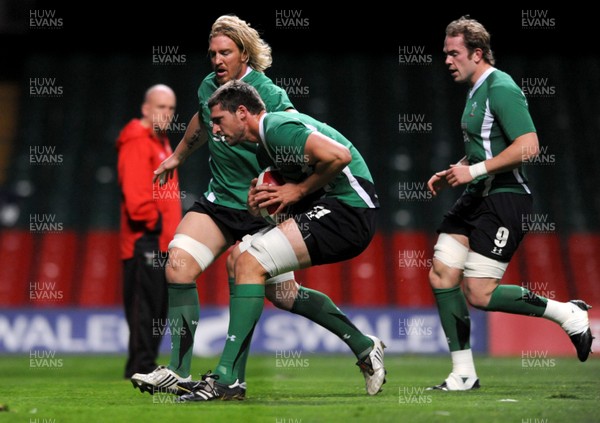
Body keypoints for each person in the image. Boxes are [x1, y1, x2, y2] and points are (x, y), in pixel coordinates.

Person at [131, 15, 386, 398]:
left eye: (225, 52)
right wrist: (178, 156)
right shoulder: (208, 88)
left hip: (261, 207)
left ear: (244, 53)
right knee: (178, 266)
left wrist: (287, 194)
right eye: (212, 53)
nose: (217, 60)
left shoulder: (269, 97)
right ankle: (182, 371)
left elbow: (296, 146)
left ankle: (358, 344)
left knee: (279, 293)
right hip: (220, 202)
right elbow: (202, 121)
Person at [176, 79, 383, 402]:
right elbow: (290, 186)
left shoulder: (276, 126)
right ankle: (363, 345)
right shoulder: (264, 145)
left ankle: (226, 377)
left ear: (242, 112)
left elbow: (339, 156)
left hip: (350, 212)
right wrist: (262, 201)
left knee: (249, 262)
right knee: (270, 283)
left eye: (219, 120)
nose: (215, 130)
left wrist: (296, 191)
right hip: (329, 208)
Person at [425, 15, 593, 391]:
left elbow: (529, 146)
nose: (447, 61)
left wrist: (475, 170)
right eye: (445, 54)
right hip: (476, 196)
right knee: (441, 273)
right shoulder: (474, 91)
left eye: (454, 54)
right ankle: (464, 373)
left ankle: (567, 313)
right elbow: (488, 149)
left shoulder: (500, 86)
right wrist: (457, 169)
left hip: (505, 199)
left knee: (478, 293)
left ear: (478, 53)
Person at [116, 84, 182, 378]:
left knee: (155, 306)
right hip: (145, 240)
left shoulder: (160, 141)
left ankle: (144, 364)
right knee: (145, 306)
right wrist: (155, 225)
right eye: (160, 107)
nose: (166, 114)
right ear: (145, 109)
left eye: (170, 109)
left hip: (160, 240)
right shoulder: (137, 141)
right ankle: (141, 367)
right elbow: (135, 196)